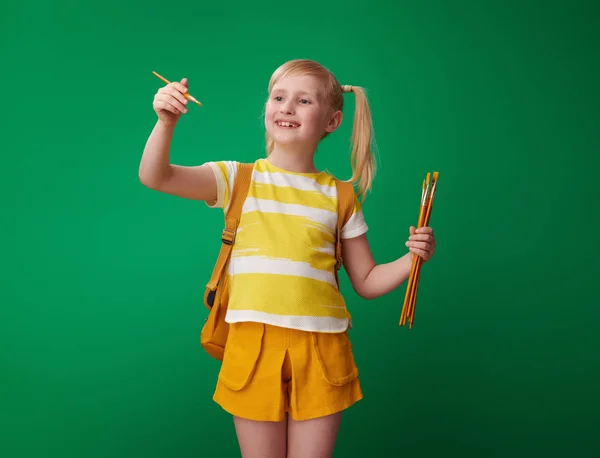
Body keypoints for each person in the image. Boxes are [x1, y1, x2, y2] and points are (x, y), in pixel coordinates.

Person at [139, 59, 437, 458]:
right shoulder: (237, 179)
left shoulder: (341, 196)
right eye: (278, 97)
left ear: (331, 122)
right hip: (252, 347)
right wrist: (166, 122)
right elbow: (155, 176)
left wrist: (410, 258)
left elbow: (366, 280)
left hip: (322, 350)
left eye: (303, 101)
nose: (287, 108)